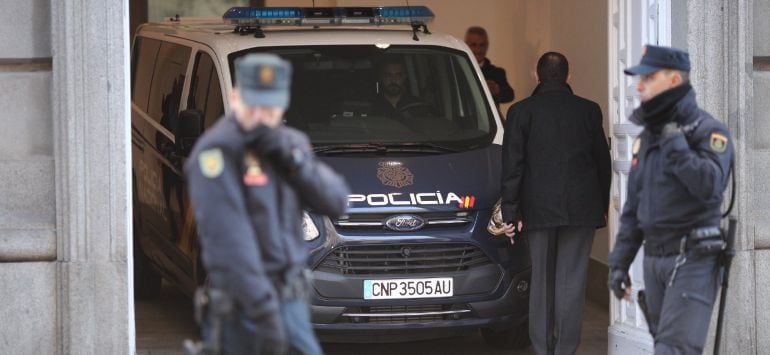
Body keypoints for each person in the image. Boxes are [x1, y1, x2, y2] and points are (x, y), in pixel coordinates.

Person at [184, 53, 350, 355]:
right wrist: (263, 313)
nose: (263, 115)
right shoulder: (217, 153)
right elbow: (227, 243)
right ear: (236, 98)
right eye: (254, 104)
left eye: (270, 105)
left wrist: (296, 162)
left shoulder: (289, 144)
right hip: (244, 307)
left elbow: (336, 201)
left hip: (291, 300)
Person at [607, 45, 734, 354]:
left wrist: (675, 141)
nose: (639, 86)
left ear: (674, 80)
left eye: (649, 78)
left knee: (673, 350)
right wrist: (619, 263)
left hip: (691, 258)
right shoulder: (647, 138)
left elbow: (709, 186)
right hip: (655, 259)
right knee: (666, 346)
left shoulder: (709, 131)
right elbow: (634, 208)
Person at [501, 52, 611, 355]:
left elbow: (513, 166)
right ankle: (565, 349)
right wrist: (602, 204)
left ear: (536, 77)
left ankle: (542, 348)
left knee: (541, 282)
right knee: (571, 282)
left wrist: (511, 212)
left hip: (536, 210)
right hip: (581, 209)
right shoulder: (589, 111)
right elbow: (602, 162)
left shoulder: (520, 112)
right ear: (568, 77)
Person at [465, 26, 515, 106]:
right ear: (466, 46)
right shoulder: (457, 69)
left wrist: (497, 90)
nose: (478, 49)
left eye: (482, 45)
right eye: (473, 45)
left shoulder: (497, 73)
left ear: (487, 46)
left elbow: (509, 95)